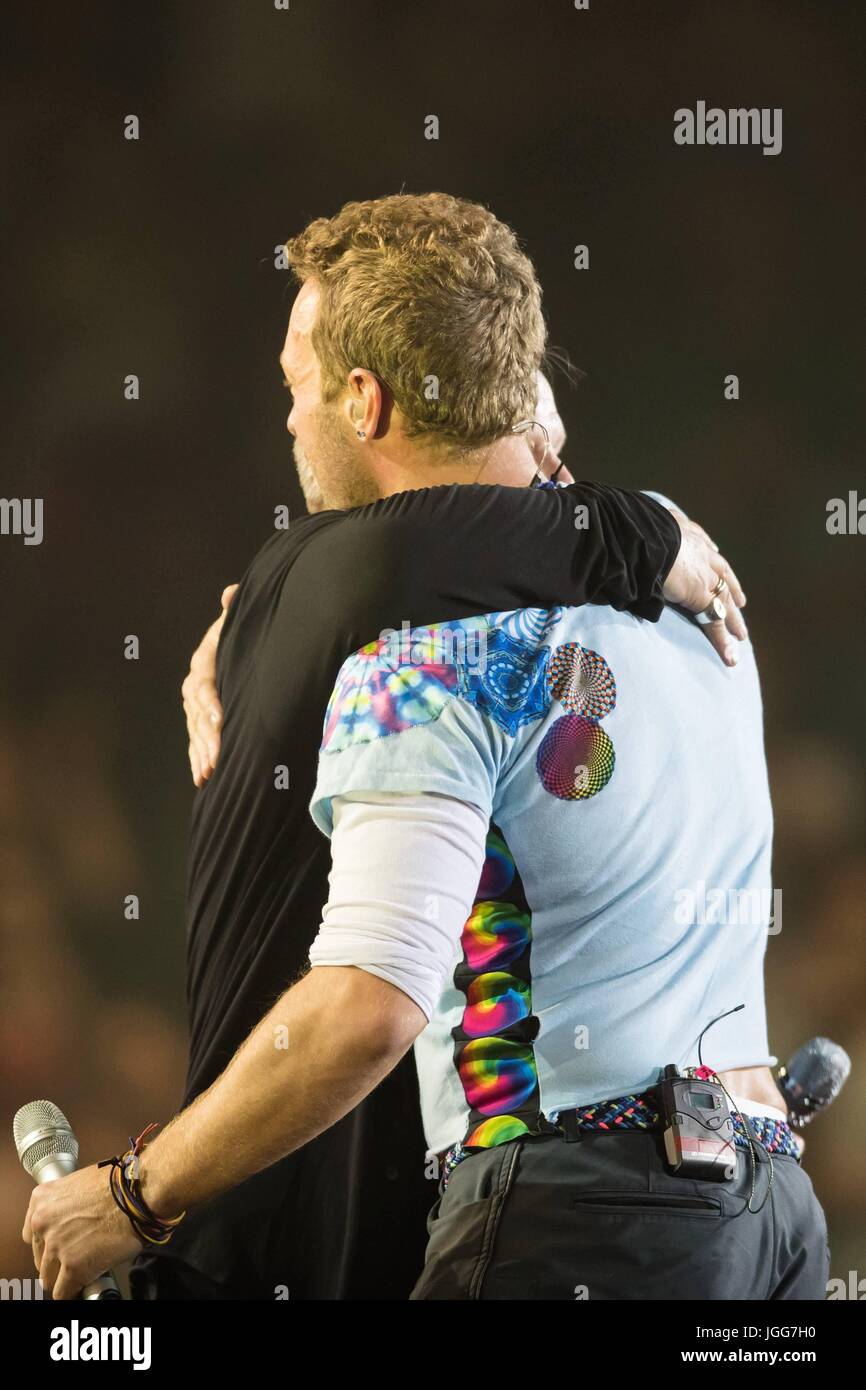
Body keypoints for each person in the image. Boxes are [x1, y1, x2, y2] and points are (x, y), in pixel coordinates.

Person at [22, 194, 759, 1302]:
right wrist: (641, 526)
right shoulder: (689, 617)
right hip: (754, 1205)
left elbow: (367, 1001)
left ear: (361, 398)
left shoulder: (362, 607)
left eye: (293, 384)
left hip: (416, 1228)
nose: (284, 420)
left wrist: (134, 1194)